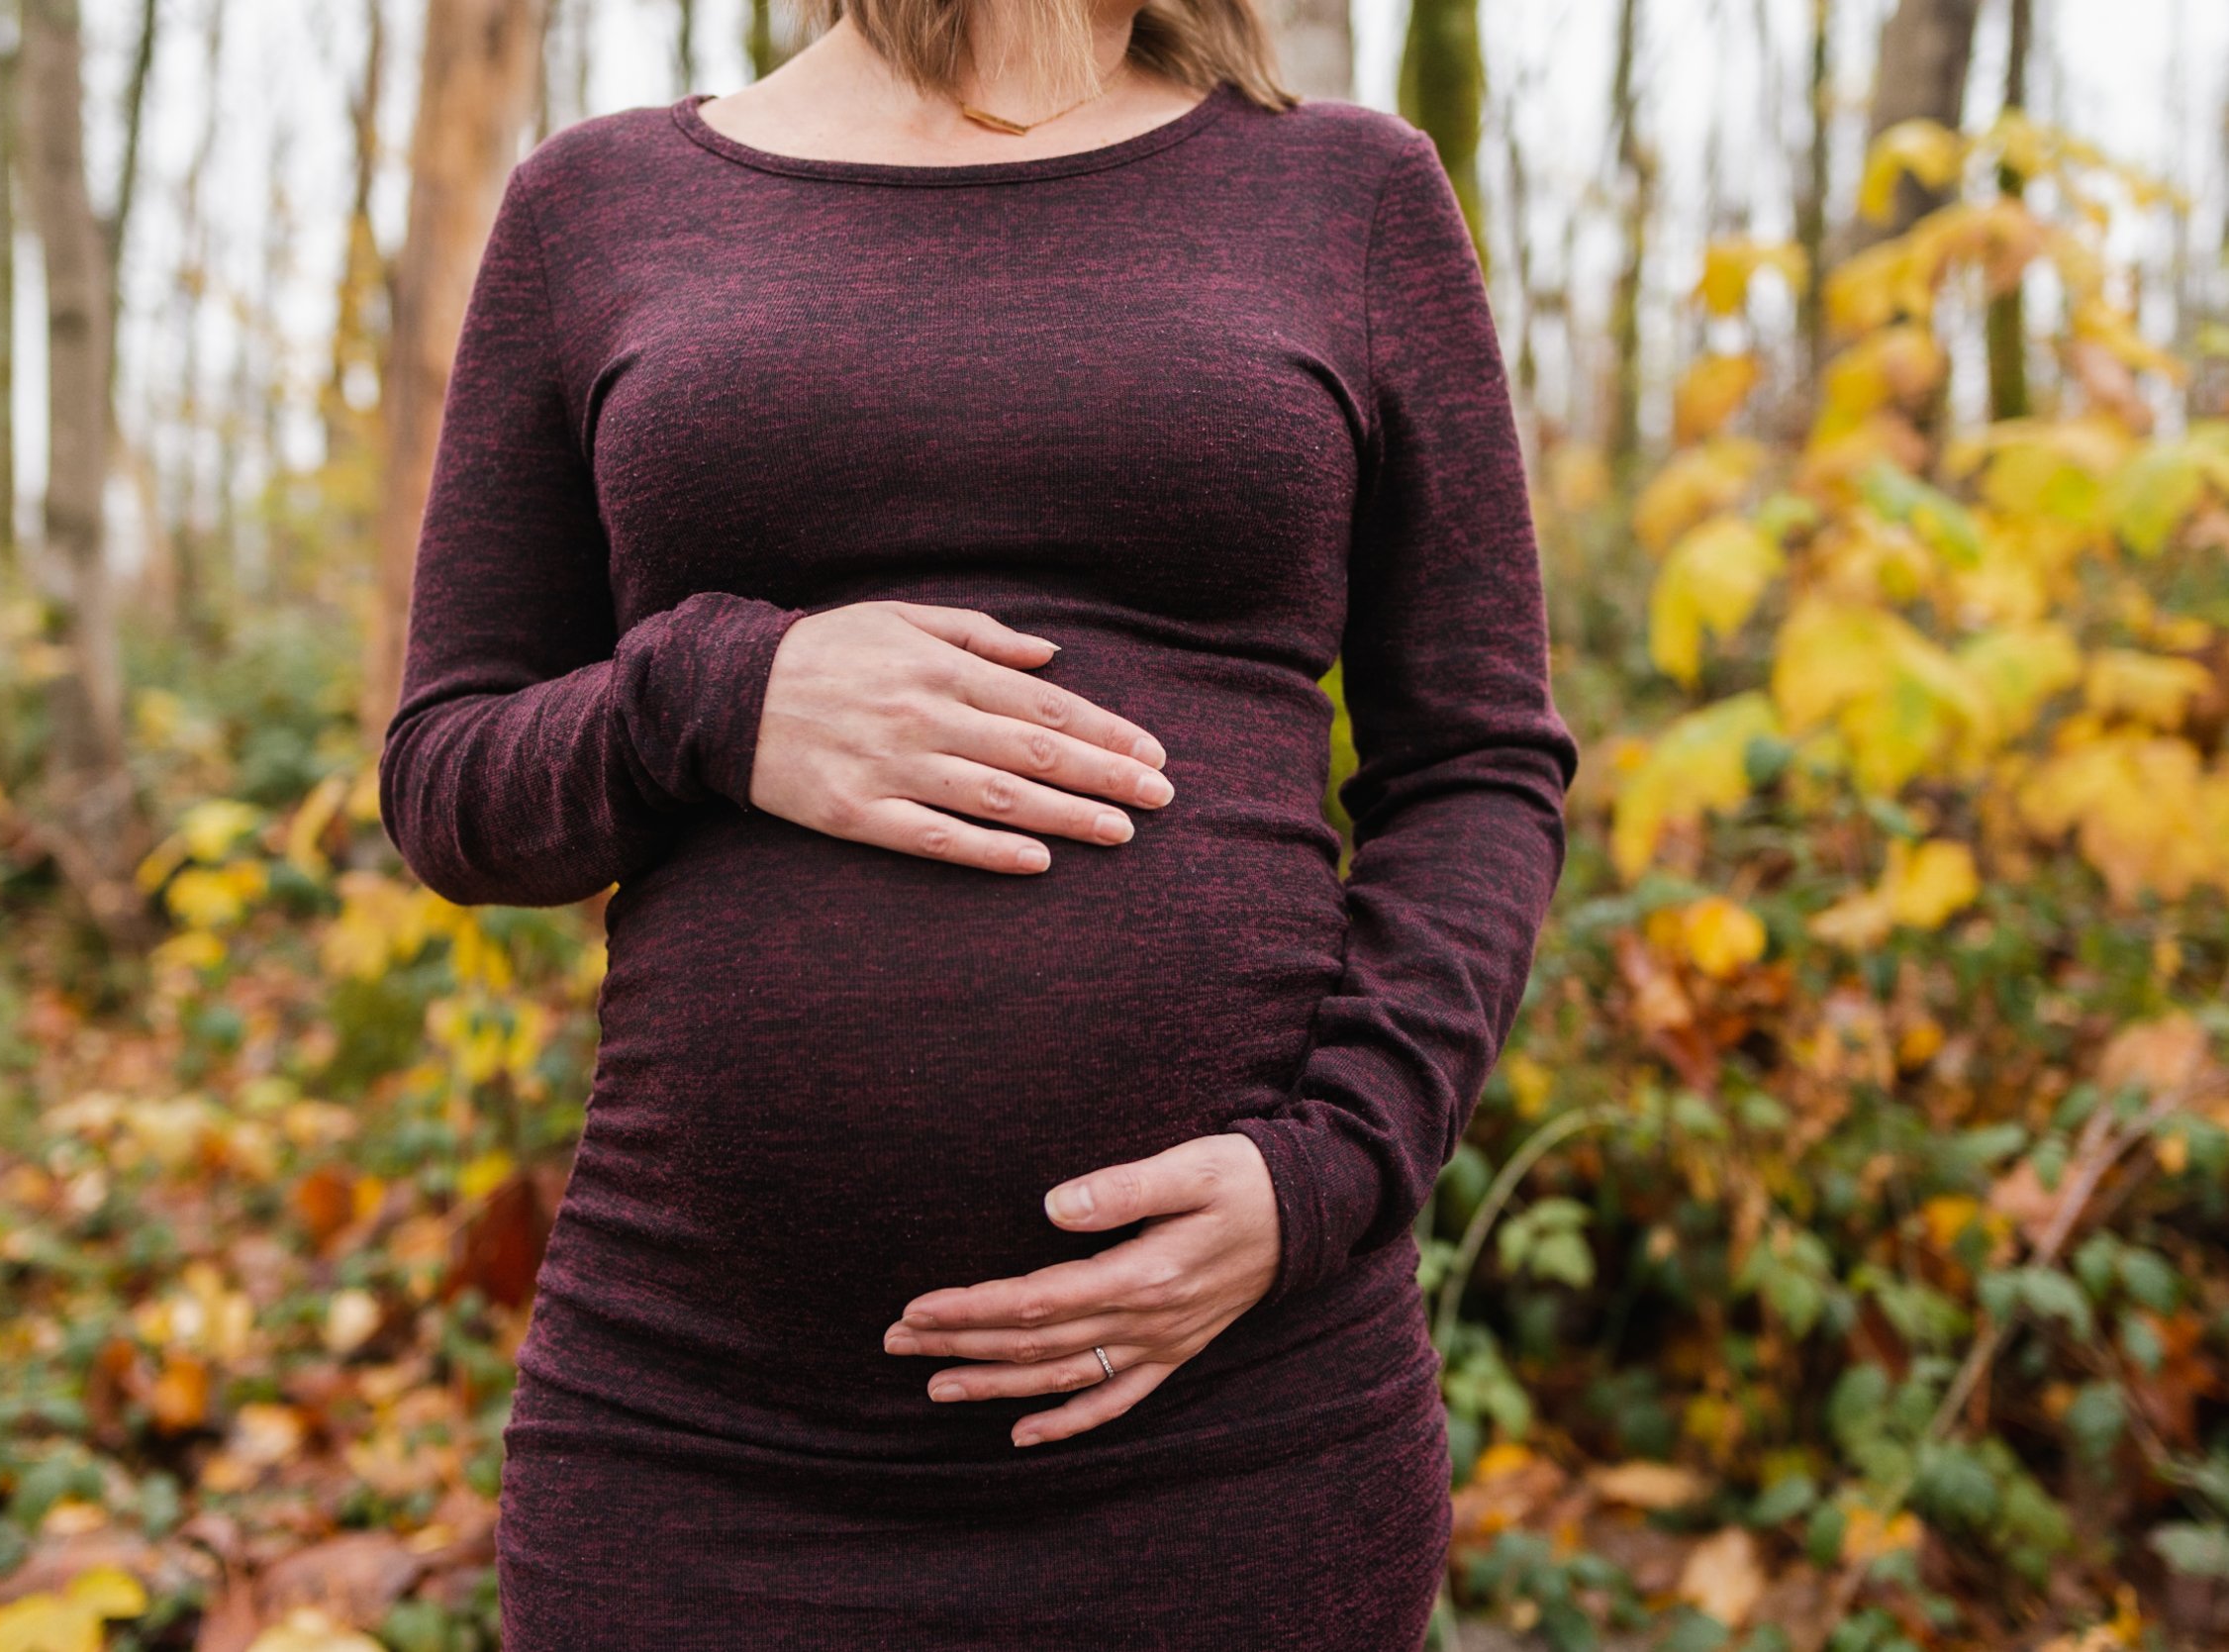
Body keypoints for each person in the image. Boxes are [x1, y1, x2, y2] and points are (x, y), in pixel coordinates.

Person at [375, 0, 1579, 1644]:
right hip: (701, 1443)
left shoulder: (1348, 194)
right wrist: (712, 698)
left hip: (1236, 1444)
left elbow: (1478, 766)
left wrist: (1331, 1169)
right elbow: (448, 780)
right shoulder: (599, 206)